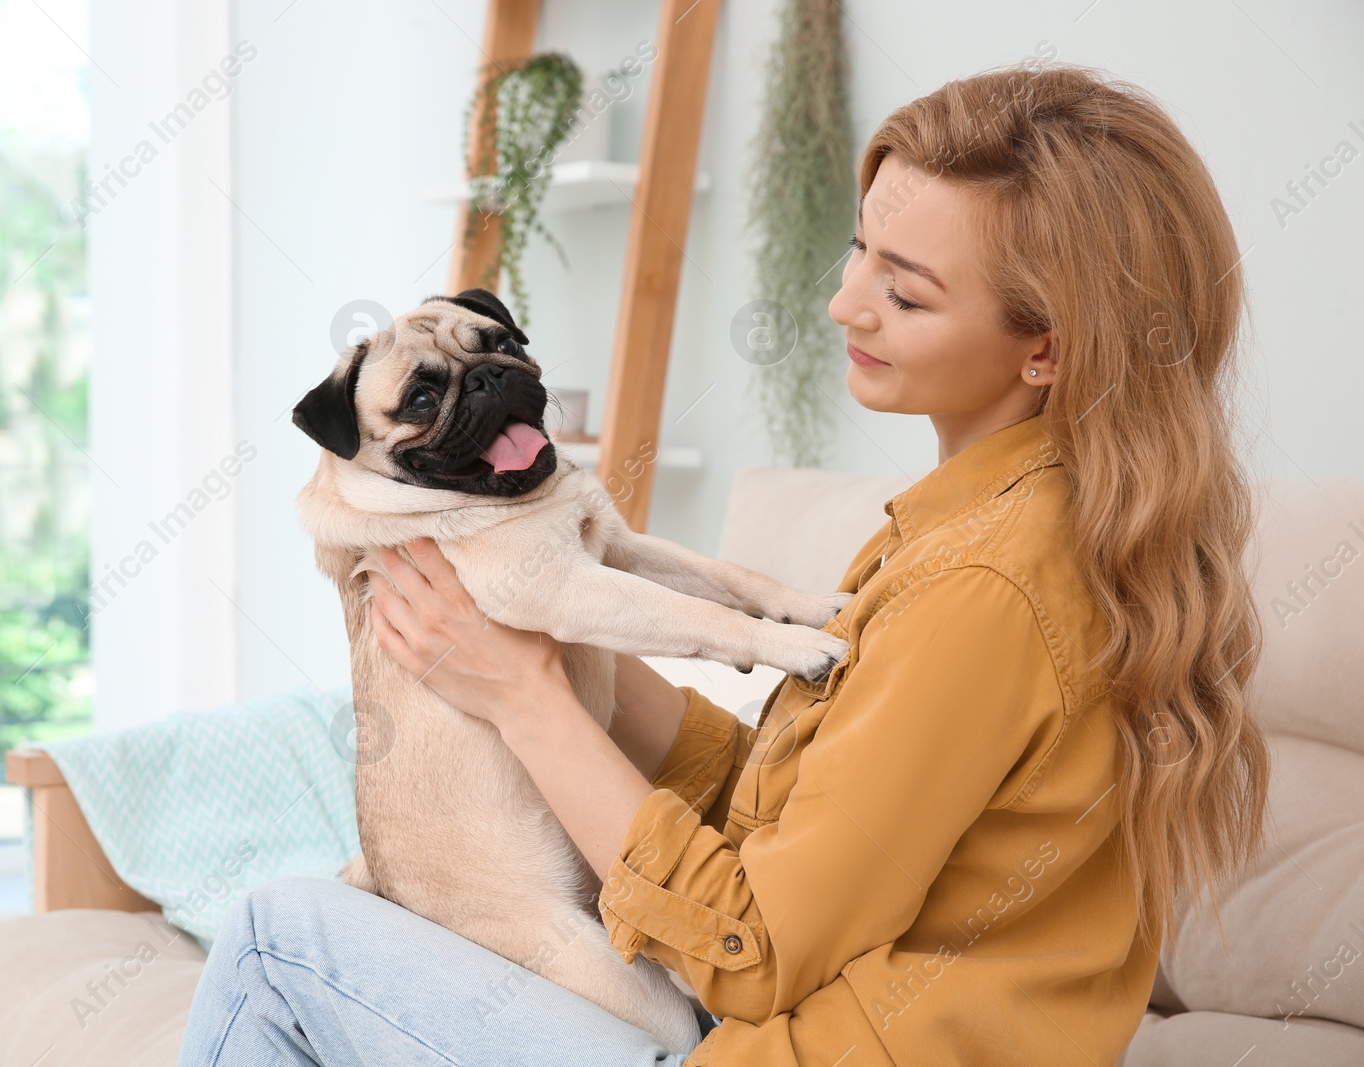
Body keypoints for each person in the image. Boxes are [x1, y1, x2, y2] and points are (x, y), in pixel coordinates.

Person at [177, 63, 1270, 1067]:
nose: (844, 305)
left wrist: (523, 698)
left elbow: (752, 946)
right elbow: (804, 824)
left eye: (905, 291)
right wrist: (535, 646)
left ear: (1048, 346)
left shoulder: (985, 585)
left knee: (279, 936)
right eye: (859, 254)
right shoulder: (983, 525)